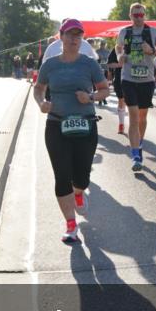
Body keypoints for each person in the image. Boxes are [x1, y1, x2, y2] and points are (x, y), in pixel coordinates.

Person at [34, 19, 109, 243]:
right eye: (70, 34)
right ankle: (70, 224)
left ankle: (79, 193)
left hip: (85, 124)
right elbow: (39, 88)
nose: (74, 39)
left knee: (82, 177)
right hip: (57, 124)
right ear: (61, 37)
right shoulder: (50, 64)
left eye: (78, 35)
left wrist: (92, 97)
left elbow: (105, 89)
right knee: (61, 175)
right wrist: (41, 104)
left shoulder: (89, 64)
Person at [116, 3, 156, 171]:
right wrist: (120, 55)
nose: (138, 18)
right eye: (135, 15)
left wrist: (151, 50)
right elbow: (118, 46)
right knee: (134, 116)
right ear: (130, 15)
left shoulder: (152, 32)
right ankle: (136, 154)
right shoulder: (125, 32)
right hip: (128, 79)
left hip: (147, 80)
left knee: (143, 117)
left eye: (141, 15)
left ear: (145, 15)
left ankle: (139, 143)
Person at [105, 45, 127, 135]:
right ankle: (121, 124)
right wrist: (119, 65)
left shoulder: (137, 46)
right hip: (120, 79)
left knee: (133, 102)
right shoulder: (117, 48)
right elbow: (109, 63)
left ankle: (135, 124)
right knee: (121, 100)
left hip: (135, 79)